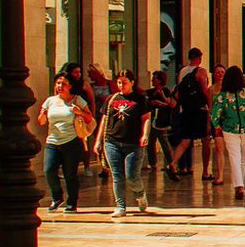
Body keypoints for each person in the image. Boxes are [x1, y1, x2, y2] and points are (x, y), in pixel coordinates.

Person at [96, 71, 151, 219]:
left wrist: (145, 134)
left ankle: (140, 194)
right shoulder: (111, 99)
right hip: (112, 141)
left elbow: (146, 119)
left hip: (134, 143)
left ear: (132, 82)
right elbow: (104, 120)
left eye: (124, 82)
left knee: (132, 175)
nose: (121, 85)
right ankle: (120, 206)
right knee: (117, 175)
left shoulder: (140, 99)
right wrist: (99, 140)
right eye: (119, 82)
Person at [35, 74, 92, 214]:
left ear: (69, 86)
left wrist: (78, 112)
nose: (60, 86)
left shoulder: (77, 100)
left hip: (72, 142)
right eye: (58, 83)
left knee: (70, 174)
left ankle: (72, 202)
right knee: (49, 171)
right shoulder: (50, 101)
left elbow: (89, 117)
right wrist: (42, 113)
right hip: (52, 141)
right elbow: (41, 122)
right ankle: (57, 197)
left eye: (63, 83)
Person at [210, 67, 245, 200]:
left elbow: (215, 112)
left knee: (234, 156)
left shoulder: (223, 94)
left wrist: (217, 125)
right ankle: (240, 184)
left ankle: (238, 185)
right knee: (244, 156)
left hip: (229, 129)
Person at [171, 50, 210, 177]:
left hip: (185, 110)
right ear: (200, 58)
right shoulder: (201, 71)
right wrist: (210, 106)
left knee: (185, 141)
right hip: (199, 110)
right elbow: (204, 90)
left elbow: (178, 90)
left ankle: (172, 163)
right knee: (205, 140)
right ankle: (205, 171)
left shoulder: (182, 71)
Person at [145, 71, 179, 172]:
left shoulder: (165, 91)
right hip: (152, 118)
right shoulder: (151, 91)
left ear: (159, 80)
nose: (152, 80)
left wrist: (160, 102)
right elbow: (141, 92)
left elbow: (171, 104)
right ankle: (152, 163)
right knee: (150, 142)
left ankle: (171, 162)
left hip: (160, 120)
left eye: (154, 78)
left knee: (163, 141)